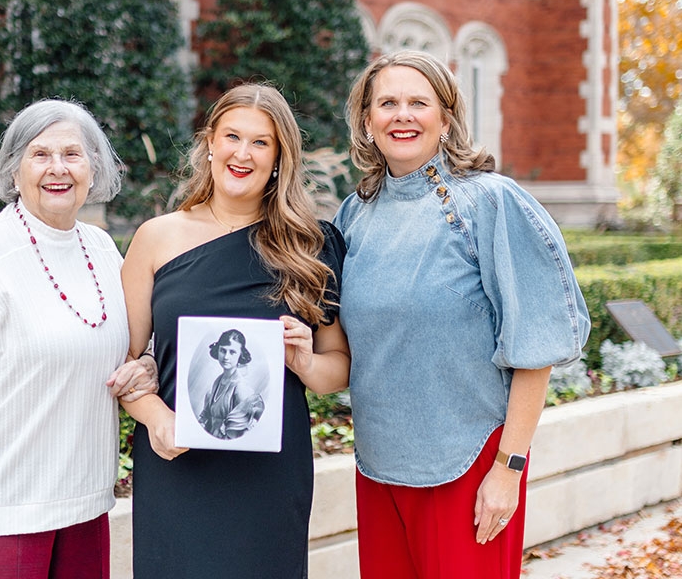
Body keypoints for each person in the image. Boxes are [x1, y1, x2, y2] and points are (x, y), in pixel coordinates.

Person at [334, 50, 591, 579]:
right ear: (367, 120)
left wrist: (508, 469)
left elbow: (534, 349)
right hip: (379, 469)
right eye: (387, 103)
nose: (402, 115)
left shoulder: (488, 203)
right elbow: (336, 338)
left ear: (445, 118)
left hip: (471, 468)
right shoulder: (354, 213)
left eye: (418, 103)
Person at [0, 99, 158, 579]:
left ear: (93, 168)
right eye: (40, 155)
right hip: (3, 512)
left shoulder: (103, 248)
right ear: (14, 170)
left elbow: (126, 346)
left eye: (72, 154)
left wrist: (146, 365)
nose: (57, 169)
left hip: (86, 504)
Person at [119, 83, 351, 578]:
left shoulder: (311, 245)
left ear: (279, 157)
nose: (242, 153)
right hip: (176, 461)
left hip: (268, 471)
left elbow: (338, 371)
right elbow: (122, 361)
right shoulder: (156, 237)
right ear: (210, 142)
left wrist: (306, 361)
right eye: (232, 136)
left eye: (260, 142)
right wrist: (156, 417)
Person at [197, 328, 265, 439]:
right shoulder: (217, 383)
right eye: (223, 350)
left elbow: (241, 432)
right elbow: (206, 416)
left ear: (240, 355)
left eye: (232, 352)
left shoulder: (240, 388)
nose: (226, 357)